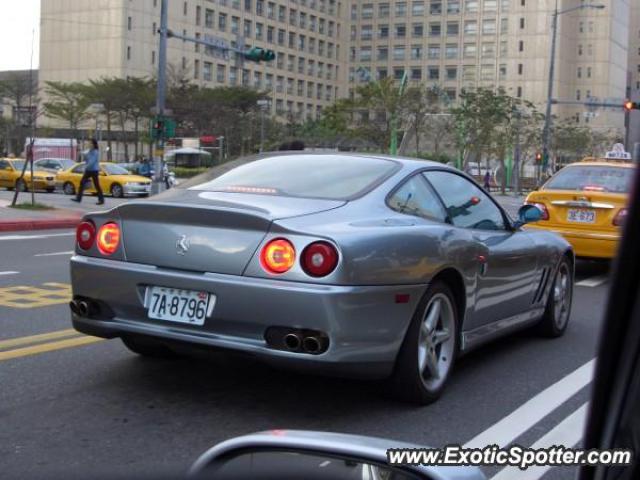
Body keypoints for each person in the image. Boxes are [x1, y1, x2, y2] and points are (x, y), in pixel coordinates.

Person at [72, 139, 104, 205]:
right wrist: (80, 151)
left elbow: (92, 162)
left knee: (96, 185)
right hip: (88, 170)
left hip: (94, 170)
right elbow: (84, 154)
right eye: (89, 143)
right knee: (82, 182)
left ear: (94, 144)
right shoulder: (89, 151)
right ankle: (78, 198)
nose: (89, 144)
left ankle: (101, 200)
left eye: (91, 143)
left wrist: (85, 167)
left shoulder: (95, 152)